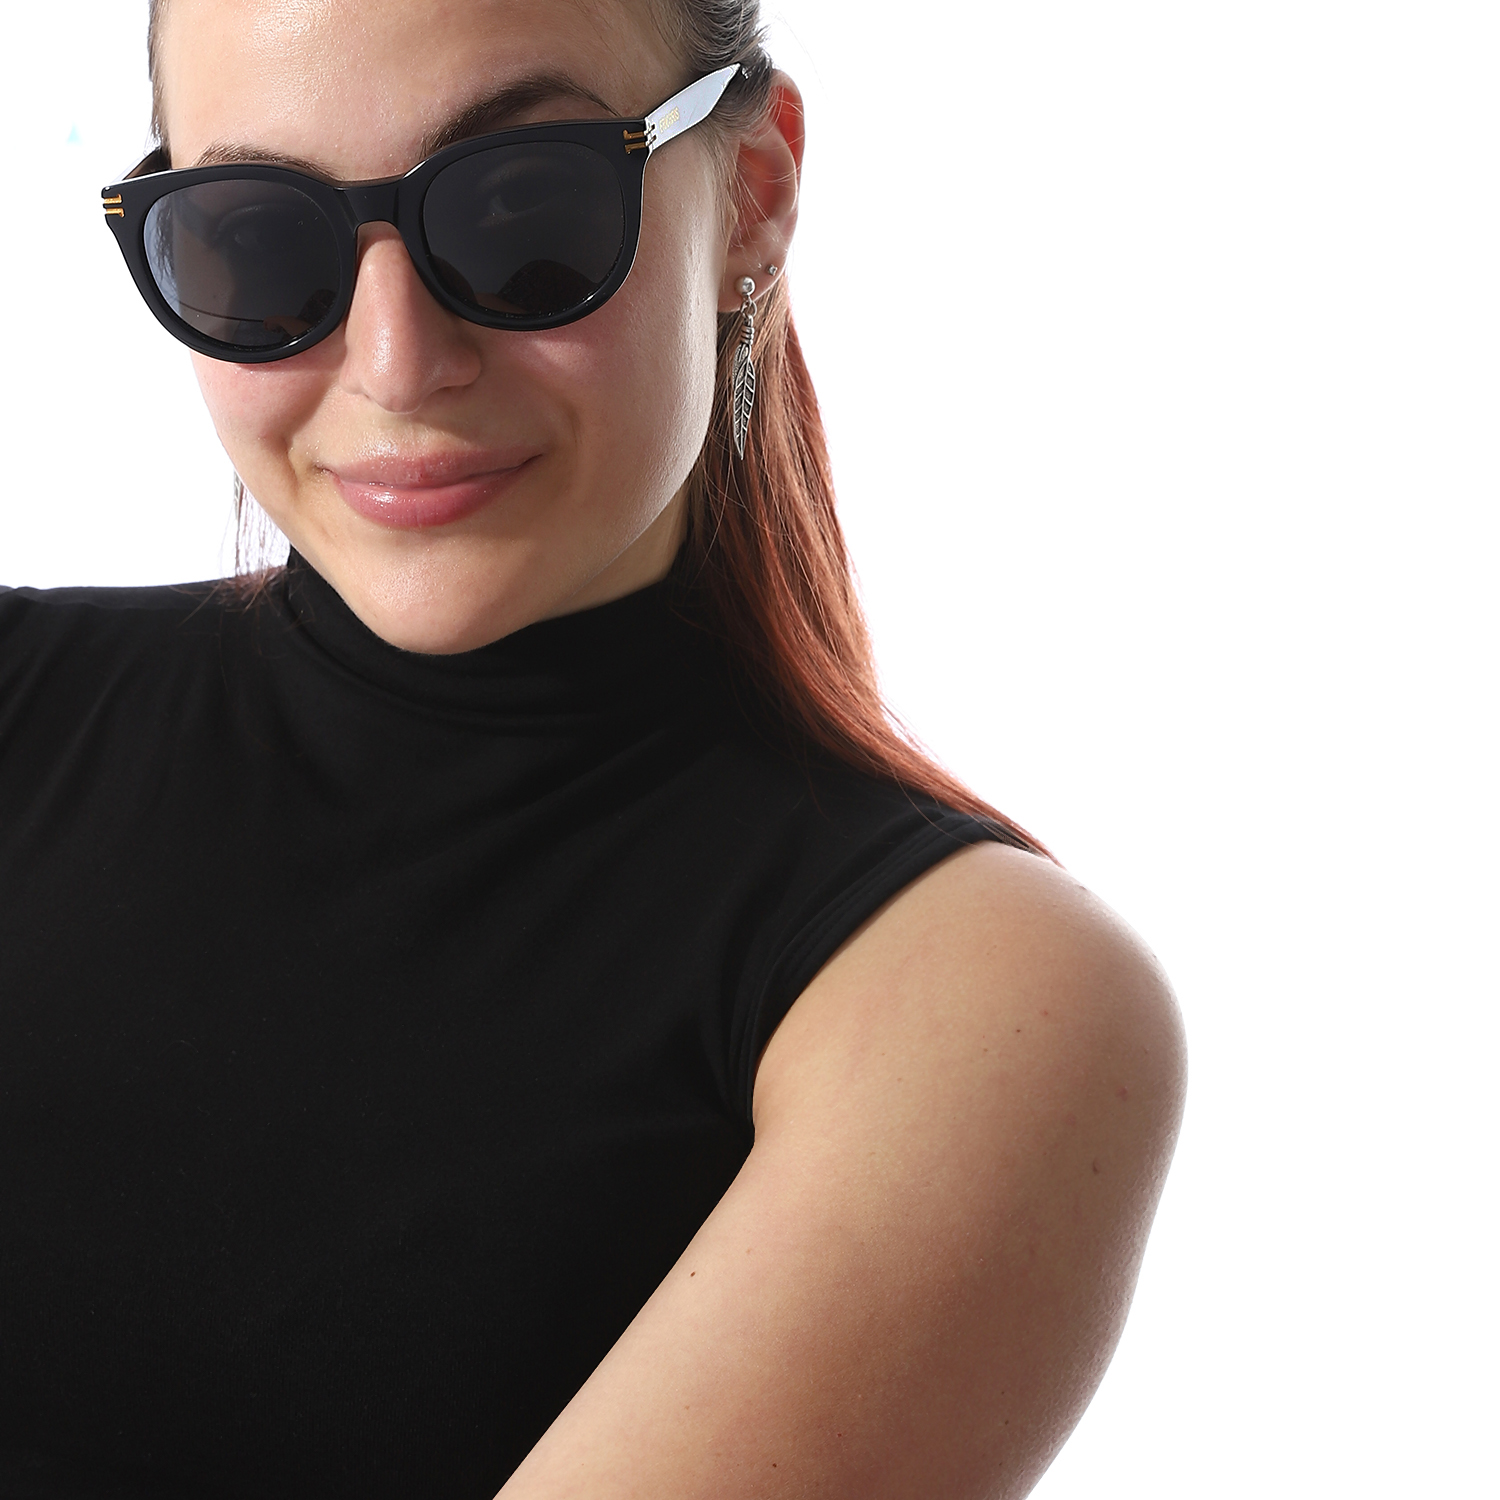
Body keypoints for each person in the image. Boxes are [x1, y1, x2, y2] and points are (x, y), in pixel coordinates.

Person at [0, 1, 1186, 1496]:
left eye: (522, 211)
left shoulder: (962, 993)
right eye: (257, 236)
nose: (398, 364)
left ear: (752, 194)